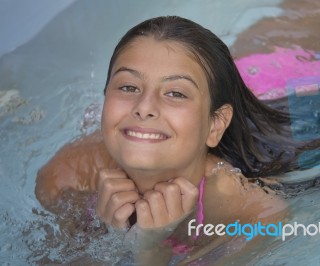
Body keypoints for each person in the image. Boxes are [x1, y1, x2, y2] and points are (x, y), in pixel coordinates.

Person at [35, 16, 293, 264]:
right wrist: (110, 237)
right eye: (128, 87)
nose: (144, 106)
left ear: (215, 124)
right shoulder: (66, 178)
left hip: (291, 94)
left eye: (175, 93)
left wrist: (149, 253)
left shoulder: (252, 213)